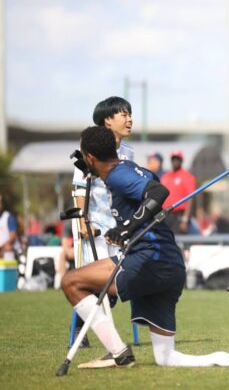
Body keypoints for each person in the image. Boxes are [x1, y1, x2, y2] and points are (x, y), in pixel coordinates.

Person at [61, 125, 229, 368]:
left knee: (70, 282)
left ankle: (119, 353)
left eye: (84, 155)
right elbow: (144, 183)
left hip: (149, 260)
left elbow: (158, 191)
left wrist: (127, 228)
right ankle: (215, 359)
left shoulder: (117, 175)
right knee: (165, 358)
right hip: (169, 264)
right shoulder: (126, 169)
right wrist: (92, 174)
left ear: (90, 156)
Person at [71, 96, 135, 344]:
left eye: (130, 114)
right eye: (123, 114)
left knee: (118, 282)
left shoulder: (128, 153)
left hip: (119, 228)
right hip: (94, 228)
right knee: (92, 281)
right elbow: (78, 191)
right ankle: (79, 328)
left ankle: (94, 320)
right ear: (107, 121)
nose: (129, 119)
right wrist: (84, 225)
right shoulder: (86, 153)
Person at [161, 150, 197, 234]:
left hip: (179, 215)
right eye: (173, 159)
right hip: (165, 214)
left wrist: (185, 219)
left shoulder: (187, 176)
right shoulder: (165, 176)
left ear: (181, 160)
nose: (175, 161)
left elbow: (190, 198)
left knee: (178, 240)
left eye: (177, 159)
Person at [0, 194, 19, 260]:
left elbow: (13, 236)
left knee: (8, 248)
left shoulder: (8, 217)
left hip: (7, 249)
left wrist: (2, 248)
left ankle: (8, 269)